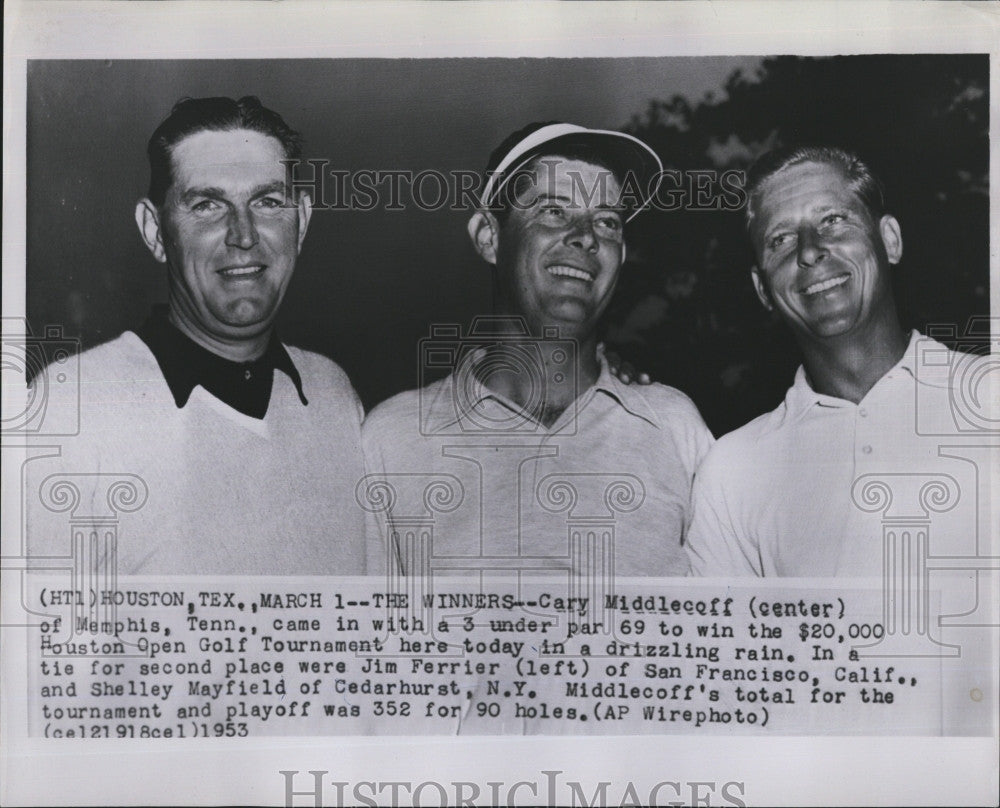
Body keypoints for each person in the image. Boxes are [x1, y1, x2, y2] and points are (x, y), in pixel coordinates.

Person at [27, 96, 366, 574]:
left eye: (267, 202)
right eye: (207, 205)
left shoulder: (332, 394)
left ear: (301, 222)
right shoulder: (72, 407)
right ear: (155, 231)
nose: (243, 235)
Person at [361, 123, 714, 578]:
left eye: (607, 221)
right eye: (553, 211)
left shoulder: (675, 426)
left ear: (620, 256)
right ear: (490, 238)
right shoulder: (393, 438)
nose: (586, 236)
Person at [685, 145, 981, 577]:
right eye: (780, 239)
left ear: (890, 240)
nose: (808, 250)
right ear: (763, 289)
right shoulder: (732, 470)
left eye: (833, 220)